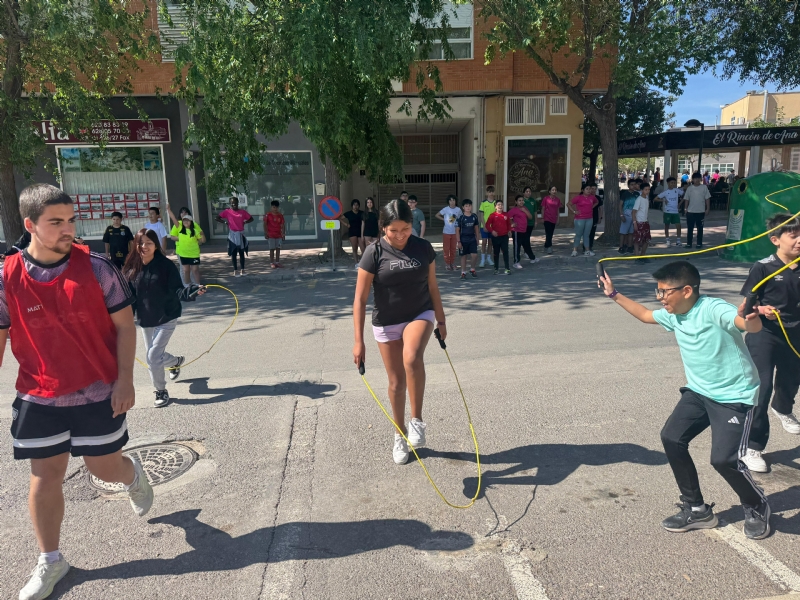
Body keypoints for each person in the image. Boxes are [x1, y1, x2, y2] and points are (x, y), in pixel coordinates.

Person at [6, 184, 153, 600]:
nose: (68, 228)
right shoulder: (7, 277)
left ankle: (132, 474)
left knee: (104, 469)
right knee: (44, 477)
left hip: (98, 391)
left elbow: (126, 326)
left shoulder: (99, 269)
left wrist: (125, 380)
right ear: (30, 224)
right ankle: (52, 560)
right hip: (39, 396)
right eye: (56, 222)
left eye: (71, 220)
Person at [598, 260, 770, 540]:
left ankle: (756, 504)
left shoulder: (713, 308)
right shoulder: (675, 315)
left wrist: (751, 317)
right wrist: (613, 294)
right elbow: (644, 315)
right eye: (658, 292)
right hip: (699, 392)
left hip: (733, 396)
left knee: (723, 460)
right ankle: (697, 508)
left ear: (687, 290)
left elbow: (746, 325)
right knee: (672, 438)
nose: (660, 298)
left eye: (665, 292)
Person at [353, 199, 445, 464]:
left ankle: (417, 422)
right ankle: (399, 434)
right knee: (396, 382)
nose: (401, 235)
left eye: (405, 228)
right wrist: (358, 342)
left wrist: (441, 321)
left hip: (420, 313)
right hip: (387, 321)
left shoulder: (423, 248)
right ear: (383, 228)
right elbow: (359, 299)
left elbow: (433, 286)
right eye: (394, 230)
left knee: (412, 357)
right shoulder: (374, 252)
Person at [740, 214, 800, 473]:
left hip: (795, 334)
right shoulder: (763, 267)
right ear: (776, 240)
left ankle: (783, 408)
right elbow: (745, 307)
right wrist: (760, 309)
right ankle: (752, 447)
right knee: (761, 389)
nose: (799, 240)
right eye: (794, 235)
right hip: (765, 333)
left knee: (791, 379)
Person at [122, 229, 206, 408]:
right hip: (146, 319)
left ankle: (160, 390)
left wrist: (192, 291)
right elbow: (129, 298)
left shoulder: (165, 265)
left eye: (149, 243)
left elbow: (178, 289)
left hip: (167, 315)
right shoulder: (131, 268)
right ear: (135, 244)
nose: (144, 247)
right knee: (155, 356)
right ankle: (175, 362)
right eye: (141, 243)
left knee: (152, 356)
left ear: (155, 245)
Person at [216, 197, 253, 277]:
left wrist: (245, 222)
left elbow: (251, 219)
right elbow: (217, 218)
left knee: (241, 253)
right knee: (234, 253)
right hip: (232, 234)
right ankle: (235, 270)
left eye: (235, 203)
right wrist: (225, 222)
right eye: (232, 203)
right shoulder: (227, 212)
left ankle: (242, 269)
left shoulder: (242, 212)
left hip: (240, 234)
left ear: (238, 203)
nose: (234, 204)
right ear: (230, 204)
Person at [169, 211, 205, 285]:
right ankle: (188, 286)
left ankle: (198, 285)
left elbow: (202, 240)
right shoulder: (180, 228)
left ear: (191, 222)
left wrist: (202, 235)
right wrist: (168, 210)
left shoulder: (195, 231)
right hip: (184, 254)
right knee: (186, 270)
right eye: (184, 220)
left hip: (194, 254)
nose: (186, 222)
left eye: (187, 220)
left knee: (195, 270)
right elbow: (173, 218)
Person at [680, 173, 711, 249]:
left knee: (700, 228)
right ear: (692, 180)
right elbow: (686, 199)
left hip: (700, 212)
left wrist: (707, 209)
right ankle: (689, 243)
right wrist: (685, 208)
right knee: (690, 228)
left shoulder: (704, 187)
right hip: (690, 212)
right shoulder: (690, 188)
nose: (697, 180)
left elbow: (707, 199)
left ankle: (699, 243)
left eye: (698, 178)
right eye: (695, 178)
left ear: (701, 179)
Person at [566, 183, 597, 257]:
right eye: (587, 189)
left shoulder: (592, 197)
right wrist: (574, 211)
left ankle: (587, 250)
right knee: (578, 235)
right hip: (579, 219)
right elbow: (568, 204)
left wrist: (592, 207)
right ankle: (574, 250)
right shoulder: (578, 197)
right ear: (582, 190)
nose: (589, 190)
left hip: (589, 218)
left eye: (590, 189)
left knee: (586, 235)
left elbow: (597, 202)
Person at [656, 177, 685, 247]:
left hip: (675, 211)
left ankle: (678, 240)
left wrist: (680, 204)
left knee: (678, 225)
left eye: (674, 183)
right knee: (667, 226)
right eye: (671, 183)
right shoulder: (665, 192)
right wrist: (663, 200)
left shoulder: (677, 190)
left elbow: (685, 195)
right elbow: (656, 199)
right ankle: (667, 240)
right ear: (668, 183)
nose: (673, 184)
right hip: (667, 211)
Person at [455, 199, 480, 279]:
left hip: (472, 238)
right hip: (463, 239)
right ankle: (463, 272)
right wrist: (458, 241)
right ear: (463, 207)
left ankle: (472, 269)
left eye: (469, 206)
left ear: (471, 206)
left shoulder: (474, 216)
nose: (468, 207)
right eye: (466, 206)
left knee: (474, 255)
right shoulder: (461, 217)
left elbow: (476, 228)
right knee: (463, 256)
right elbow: (457, 230)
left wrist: (477, 238)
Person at [485, 199, 511, 275]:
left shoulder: (506, 214)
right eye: (498, 205)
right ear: (495, 206)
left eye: (501, 204)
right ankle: (496, 268)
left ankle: (507, 268)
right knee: (496, 252)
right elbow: (487, 225)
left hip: (504, 236)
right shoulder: (492, 215)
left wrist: (509, 230)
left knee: (505, 252)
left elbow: (509, 224)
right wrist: (492, 231)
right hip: (496, 237)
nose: (500, 206)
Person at [436, 194, 462, 271]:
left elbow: (461, 218)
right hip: (446, 231)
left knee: (453, 249)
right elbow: (437, 215)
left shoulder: (458, 210)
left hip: (455, 232)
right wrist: (443, 219)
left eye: (453, 200)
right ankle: (447, 263)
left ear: (455, 201)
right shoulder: (445, 209)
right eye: (450, 200)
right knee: (446, 249)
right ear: (448, 201)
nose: (452, 202)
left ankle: (452, 263)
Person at [507, 195, 531, 269]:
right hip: (517, 231)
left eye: (522, 200)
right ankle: (516, 262)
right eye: (519, 200)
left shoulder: (525, 208)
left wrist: (524, 211)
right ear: (516, 202)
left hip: (524, 230)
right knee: (517, 247)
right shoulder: (514, 210)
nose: (521, 202)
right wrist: (511, 224)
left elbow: (530, 217)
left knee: (526, 244)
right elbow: (508, 217)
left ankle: (532, 257)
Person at [342, 199, 364, 269]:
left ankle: (363, 262)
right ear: (352, 206)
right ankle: (356, 263)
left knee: (363, 248)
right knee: (354, 248)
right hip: (352, 232)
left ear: (359, 206)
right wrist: (346, 224)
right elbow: (339, 218)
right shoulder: (348, 213)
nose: (356, 206)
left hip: (360, 232)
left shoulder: (362, 213)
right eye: (354, 205)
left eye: (357, 205)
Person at [518, 186, 538, 264]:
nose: (528, 193)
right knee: (524, 239)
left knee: (527, 238)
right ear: (523, 193)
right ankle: (528, 253)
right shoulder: (521, 201)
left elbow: (535, 211)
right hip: (523, 223)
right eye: (526, 191)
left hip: (530, 223)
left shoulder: (533, 201)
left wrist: (536, 221)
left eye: (529, 191)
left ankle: (527, 252)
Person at [264, 200, 286, 268]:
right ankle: (271, 263)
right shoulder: (268, 215)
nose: (275, 209)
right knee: (271, 249)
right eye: (273, 207)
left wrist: (283, 234)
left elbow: (283, 225)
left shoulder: (280, 215)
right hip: (271, 235)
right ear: (271, 207)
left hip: (279, 235)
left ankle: (277, 262)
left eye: (276, 207)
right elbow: (265, 224)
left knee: (278, 249)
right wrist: (266, 233)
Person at [632, 182, 652, 257]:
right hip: (639, 222)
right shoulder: (639, 199)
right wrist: (635, 222)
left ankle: (642, 255)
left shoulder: (646, 199)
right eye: (645, 189)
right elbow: (634, 212)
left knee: (646, 239)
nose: (647, 191)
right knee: (637, 240)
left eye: (648, 189)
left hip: (645, 222)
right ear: (642, 190)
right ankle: (637, 256)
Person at [619, 180, 638, 255]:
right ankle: (621, 246)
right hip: (626, 214)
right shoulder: (625, 194)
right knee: (623, 232)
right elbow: (620, 205)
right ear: (628, 186)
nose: (633, 186)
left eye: (634, 184)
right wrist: (621, 215)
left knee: (631, 232)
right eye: (631, 184)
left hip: (634, 214)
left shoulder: (637, 194)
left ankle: (630, 246)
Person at [541, 186, 562, 254]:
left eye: (555, 190)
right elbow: (543, 208)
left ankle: (546, 245)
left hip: (554, 218)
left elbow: (558, 210)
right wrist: (542, 217)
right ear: (549, 191)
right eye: (552, 190)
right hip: (547, 218)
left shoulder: (558, 200)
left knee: (550, 233)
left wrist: (558, 218)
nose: (554, 191)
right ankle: (549, 247)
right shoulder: (546, 199)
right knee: (548, 233)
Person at [478, 187, 496, 267]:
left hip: (493, 226)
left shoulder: (496, 203)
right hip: (484, 226)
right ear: (487, 193)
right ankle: (482, 259)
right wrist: (484, 225)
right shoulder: (483, 203)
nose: (491, 193)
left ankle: (489, 258)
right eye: (489, 192)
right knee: (484, 242)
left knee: (491, 242)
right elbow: (481, 215)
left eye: (492, 192)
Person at [588, 183, 603, 251]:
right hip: (586, 217)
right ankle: (585, 247)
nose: (593, 190)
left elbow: (600, 208)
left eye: (595, 189)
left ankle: (590, 246)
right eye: (592, 188)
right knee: (586, 233)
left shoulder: (598, 198)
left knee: (592, 233)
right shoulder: (586, 197)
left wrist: (600, 218)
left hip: (594, 217)